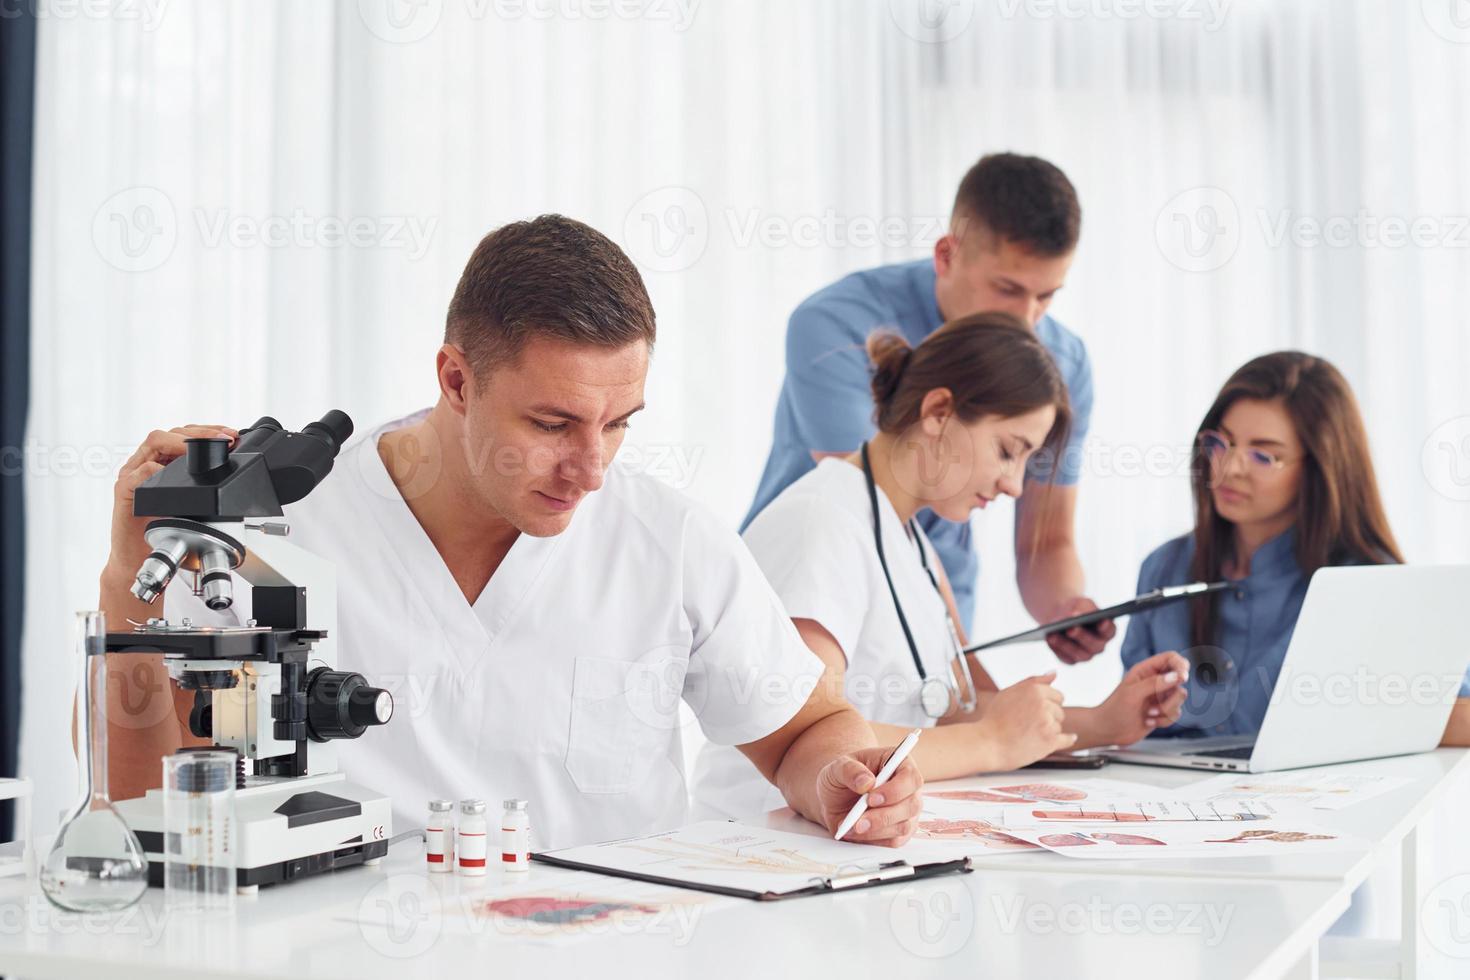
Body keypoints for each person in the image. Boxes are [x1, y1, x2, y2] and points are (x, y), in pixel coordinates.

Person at [96, 215, 924, 850]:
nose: (591, 469)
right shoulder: (276, 527)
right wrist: (123, 583)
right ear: (456, 379)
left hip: (608, 951)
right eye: (553, 423)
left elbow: (805, 731)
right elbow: (139, 800)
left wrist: (844, 782)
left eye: (620, 424)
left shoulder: (668, 540)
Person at [694, 314, 1189, 818]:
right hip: (765, 837)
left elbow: (955, 708)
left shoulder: (914, 546)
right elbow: (814, 737)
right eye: (1007, 452)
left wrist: (1105, 721)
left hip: (855, 836)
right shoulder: (819, 523)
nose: (1015, 485)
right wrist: (991, 743)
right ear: (938, 411)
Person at [746, 152, 1113, 665]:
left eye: (1046, 296)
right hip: (816, 589)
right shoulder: (835, 324)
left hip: (937, 610)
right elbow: (873, 506)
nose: (1027, 321)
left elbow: (1046, 541)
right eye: (1008, 289)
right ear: (947, 255)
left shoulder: (1063, 364)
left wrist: (1066, 610)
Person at [1120, 351, 1470, 744]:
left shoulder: (1368, 583)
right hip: (1158, 798)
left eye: (1263, 455)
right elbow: (1130, 724)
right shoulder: (1164, 567)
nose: (1230, 468)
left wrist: (1363, 715)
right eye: (1222, 442)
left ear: (1320, 468)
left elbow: (1460, 713)